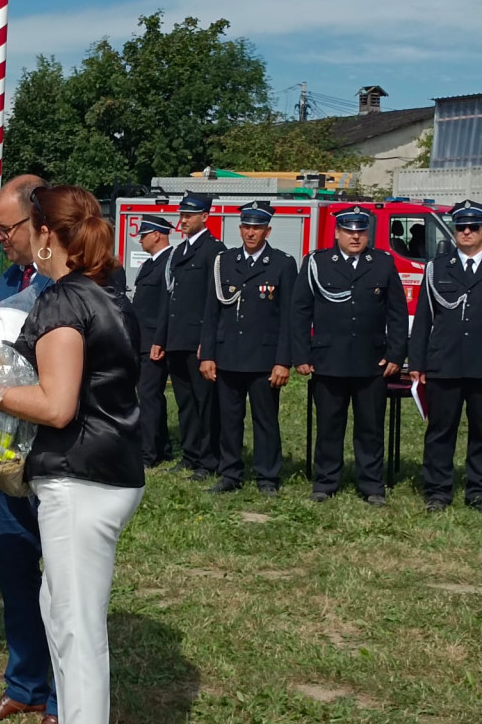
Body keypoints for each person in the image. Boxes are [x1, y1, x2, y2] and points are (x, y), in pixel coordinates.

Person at [0, 184, 144, 724]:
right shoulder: (109, 291)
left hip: (80, 476)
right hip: (111, 467)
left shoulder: (63, 298)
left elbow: (55, 406)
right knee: (60, 611)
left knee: (76, 630)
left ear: (46, 234)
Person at [0, 174, 58, 724]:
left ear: (39, 222)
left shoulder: (75, 283)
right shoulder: (7, 280)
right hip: (8, 454)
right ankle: (24, 685)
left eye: (6, 227)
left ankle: (62, 699)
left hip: (59, 456)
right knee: (15, 570)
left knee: (62, 587)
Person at [292, 206, 408, 505]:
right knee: (329, 426)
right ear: (337, 233)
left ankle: (371, 486)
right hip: (329, 360)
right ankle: (325, 482)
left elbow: (397, 312)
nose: (355, 237)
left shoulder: (382, 263)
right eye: (349, 231)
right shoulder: (318, 263)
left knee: (370, 428)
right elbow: (300, 312)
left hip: (372, 362)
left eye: (361, 231)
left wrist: (396, 353)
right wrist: (302, 354)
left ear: (367, 233)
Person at [200, 201, 297, 495]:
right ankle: (230, 473)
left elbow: (288, 318)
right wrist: (208, 355)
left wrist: (283, 361)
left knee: (265, 420)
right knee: (229, 419)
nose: (251, 233)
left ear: (267, 230)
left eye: (257, 228)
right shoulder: (225, 262)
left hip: (264, 359)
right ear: (240, 228)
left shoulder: (282, 264)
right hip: (228, 354)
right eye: (246, 227)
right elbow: (212, 312)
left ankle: (268, 476)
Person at [409, 199, 482, 513]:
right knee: (440, 430)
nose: (466, 232)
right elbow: (423, 318)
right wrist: (418, 363)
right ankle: (437, 491)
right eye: (460, 227)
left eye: (473, 227)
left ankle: (477, 491)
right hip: (444, 363)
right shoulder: (437, 267)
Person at [150, 191, 225, 480]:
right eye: (181, 215)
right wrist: (161, 338)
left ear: (205, 216)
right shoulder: (179, 252)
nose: (183, 221)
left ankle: (209, 460)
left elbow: (212, 299)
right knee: (186, 403)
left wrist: (207, 344)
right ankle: (191, 455)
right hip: (177, 338)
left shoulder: (212, 250)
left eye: (189, 215)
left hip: (198, 341)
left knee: (205, 403)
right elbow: (171, 299)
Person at [130, 215, 175, 471]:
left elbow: (166, 307)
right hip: (142, 340)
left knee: (149, 396)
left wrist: (160, 339)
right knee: (149, 396)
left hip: (155, 341)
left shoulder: (169, 263)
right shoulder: (150, 265)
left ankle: (149, 453)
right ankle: (161, 447)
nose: (140, 238)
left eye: (144, 234)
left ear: (157, 235)